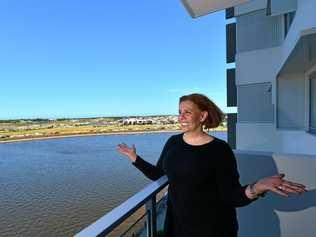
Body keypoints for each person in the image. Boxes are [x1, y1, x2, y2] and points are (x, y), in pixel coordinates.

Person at [117, 93, 307, 237]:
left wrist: (258, 187)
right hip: (178, 225)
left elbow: (231, 196)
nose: (181, 117)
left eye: (187, 112)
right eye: (179, 112)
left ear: (202, 116)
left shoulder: (219, 150)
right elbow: (158, 174)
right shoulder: (173, 142)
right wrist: (135, 158)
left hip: (213, 228)